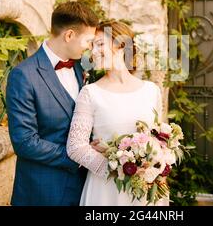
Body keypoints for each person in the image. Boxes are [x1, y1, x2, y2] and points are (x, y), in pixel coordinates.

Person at [6, 1, 99, 206]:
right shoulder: (23, 76)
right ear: (69, 36)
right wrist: (80, 156)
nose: (90, 47)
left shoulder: (80, 69)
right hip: (43, 191)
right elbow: (25, 142)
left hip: (84, 190)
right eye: (88, 41)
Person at [66, 20, 167, 206]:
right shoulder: (90, 93)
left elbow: (160, 140)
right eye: (92, 46)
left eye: (100, 44)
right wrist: (120, 170)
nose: (94, 52)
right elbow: (75, 147)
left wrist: (156, 168)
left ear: (122, 46)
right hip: (106, 191)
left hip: (146, 189)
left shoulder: (152, 91)